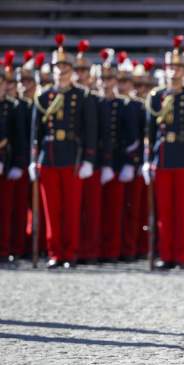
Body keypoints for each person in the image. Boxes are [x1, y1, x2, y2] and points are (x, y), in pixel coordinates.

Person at [30, 34, 97, 269]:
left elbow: (89, 130)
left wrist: (89, 158)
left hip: (72, 156)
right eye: (58, 68)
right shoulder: (43, 96)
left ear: (71, 71)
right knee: (52, 210)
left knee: (70, 209)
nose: (62, 72)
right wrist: (33, 159)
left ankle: (70, 252)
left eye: (65, 68)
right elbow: (36, 131)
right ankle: (54, 252)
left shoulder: (82, 96)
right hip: (48, 156)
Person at [145, 35, 184, 270]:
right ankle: (166, 255)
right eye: (171, 67)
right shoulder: (156, 96)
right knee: (164, 212)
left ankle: (181, 256)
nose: (175, 71)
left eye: (179, 67)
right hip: (162, 157)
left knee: (182, 211)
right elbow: (149, 133)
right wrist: (147, 161)